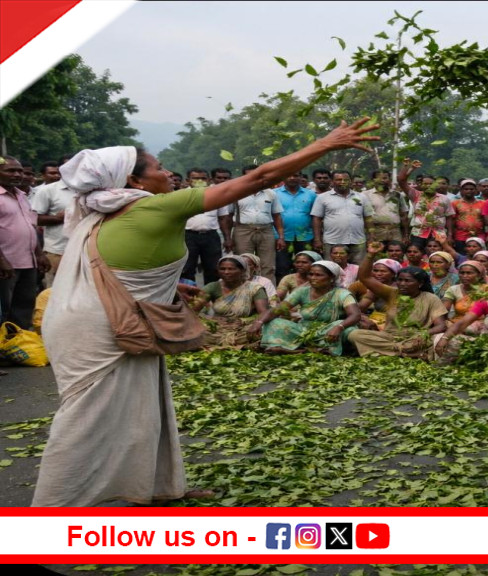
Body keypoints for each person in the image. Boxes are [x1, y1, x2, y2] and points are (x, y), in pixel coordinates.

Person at [34, 117, 379, 507]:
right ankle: (55, 509)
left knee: (145, 403)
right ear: (135, 182)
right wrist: (327, 143)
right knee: (87, 414)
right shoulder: (158, 207)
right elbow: (259, 177)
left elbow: (120, 269)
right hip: (100, 328)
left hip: (99, 317)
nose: (168, 173)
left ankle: (150, 488)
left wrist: (164, 286)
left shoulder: (104, 211)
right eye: (159, 168)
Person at [347, 242, 449, 358]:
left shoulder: (431, 298)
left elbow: (441, 326)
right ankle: (401, 353)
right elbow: (365, 277)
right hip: (389, 337)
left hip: (415, 339)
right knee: (354, 334)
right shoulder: (392, 293)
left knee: (430, 341)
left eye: (407, 281)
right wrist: (371, 255)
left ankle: (386, 353)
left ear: (420, 283)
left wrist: (423, 334)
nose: (402, 284)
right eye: (400, 280)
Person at [252, 259, 362, 356]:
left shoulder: (342, 294)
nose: (313, 278)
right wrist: (259, 322)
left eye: (318, 275)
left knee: (350, 330)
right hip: (303, 330)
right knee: (274, 322)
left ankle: (297, 349)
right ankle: (308, 350)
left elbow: (355, 315)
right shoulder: (302, 292)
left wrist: (339, 327)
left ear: (332, 278)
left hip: (330, 330)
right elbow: (277, 310)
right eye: (311, 274)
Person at [0, 156, 49, 329]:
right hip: (6, 265)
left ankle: (16, 343)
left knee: (24, 307)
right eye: (10, 170)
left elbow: (31, 226)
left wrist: (39, 253)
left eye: (20, 170)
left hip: (28, 262)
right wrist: (2, 261)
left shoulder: (21, 195)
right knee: (4, 307)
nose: (17, 174)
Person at [190, 255, 269, 349]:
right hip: (218, 327)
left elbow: (263, 312)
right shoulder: (213, 287)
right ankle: (240, 346)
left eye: (231, 269)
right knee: (195, 329)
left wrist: (245, 322)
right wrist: (209, 319)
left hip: (244, 327)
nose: (226, 272)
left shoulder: (254, 288)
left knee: (263, 330)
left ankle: (228, 344)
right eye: (222, 269)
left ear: (242, 270)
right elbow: (193, 310)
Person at [311, 170, 373, 264]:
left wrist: (371, 238)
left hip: (358, 241)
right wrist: (317, 239)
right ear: (332, 181)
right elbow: (317, 219)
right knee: (332, 269)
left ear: (351, 181)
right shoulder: (322, 198)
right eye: (339, 179)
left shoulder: (362, 197)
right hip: (332, 241)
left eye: (345, 179)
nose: (342, 182)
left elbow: (368, 218)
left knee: (358, 269)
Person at [180, 169, 227, 285]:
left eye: (203, 178)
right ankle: (190, 298)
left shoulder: (216, 194)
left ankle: (211, 297)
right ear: (188, 180)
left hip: (211, 236)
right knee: (187, 268)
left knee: (213, 268)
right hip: (188, 236)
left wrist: (228, 238)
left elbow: (223, 218)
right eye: (195, 178)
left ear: (209, 180)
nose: (199, 181)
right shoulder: (181, 195)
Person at [397, 160, 455, 250]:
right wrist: (409, 167)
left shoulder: (444, 199)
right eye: (425, 184)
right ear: (421, 185)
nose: (428, 186)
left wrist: (450, 235)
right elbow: (401, 180)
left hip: (438, 234)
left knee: (436, 257)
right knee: (417, 256)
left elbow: (449, 217)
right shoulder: (415, 195)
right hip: (418, 233)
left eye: (431, 184)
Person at [29, 172, 76, 286]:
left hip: (85, 250)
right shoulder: (48, 190)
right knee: (52, 291)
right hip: (57, 250)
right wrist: (58, 218)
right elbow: (34, 219)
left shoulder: (90, 190)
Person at [273, 171, 317, 283]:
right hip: (282, 238)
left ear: (301, 177)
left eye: (296, 175)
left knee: (307, 267)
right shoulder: (274, 194)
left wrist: (317, 237)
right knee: (282, 267)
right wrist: (277, 236)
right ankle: (283, 292)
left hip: (306, 237)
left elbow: (315, 216)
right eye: (289, 175)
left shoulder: (310, 194)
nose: (292, 178)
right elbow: (272, 216)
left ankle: (307, 289)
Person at [365, 169, 410, 243]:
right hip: (376, 232)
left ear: (390, 180)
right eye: (379, 178)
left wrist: (406, 235)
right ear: (373, 180)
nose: (382, 180)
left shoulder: (397, 195)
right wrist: (370, 234)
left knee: (396, 253)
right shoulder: (365, 195)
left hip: (395, 232)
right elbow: (364, 217)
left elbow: (404, 216)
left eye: (385, 178)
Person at [450, 178, 486, 253]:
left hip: (479, 236)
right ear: (461, 190)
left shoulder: (483, 203)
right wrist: (450, 236)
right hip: (460, 236)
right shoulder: (455, 203)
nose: (469, 191)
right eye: (466, 189)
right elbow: (452, 220)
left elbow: (486, 220)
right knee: (462, 257)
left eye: (471, 189)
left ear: (476, 190)